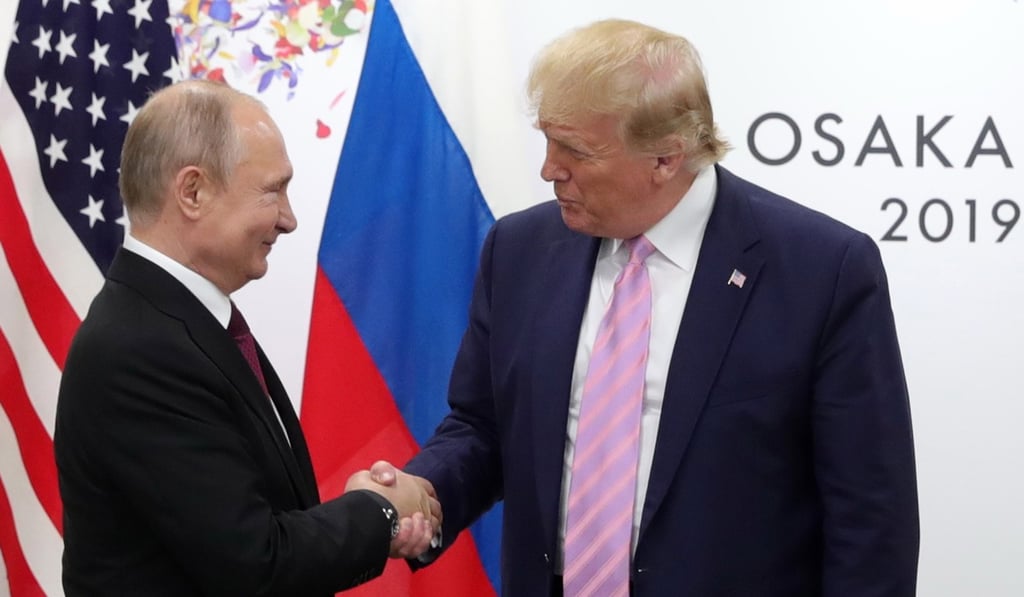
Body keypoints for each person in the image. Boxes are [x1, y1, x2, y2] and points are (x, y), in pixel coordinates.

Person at [400, 18, 920, 596]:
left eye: (575, 150)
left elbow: (871, 518)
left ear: (667, 158)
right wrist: (425, 493)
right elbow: (484, 426)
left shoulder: (822, 271)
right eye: (547, 139)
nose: (549, 169)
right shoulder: (519, 250)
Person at [54, 80, 439, 596]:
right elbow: (257, 564)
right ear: (193, 192)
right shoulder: (139, 350)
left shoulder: (183, 322)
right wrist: (378, 512)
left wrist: (371, 510)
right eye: (272, 190)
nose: (289, 219)